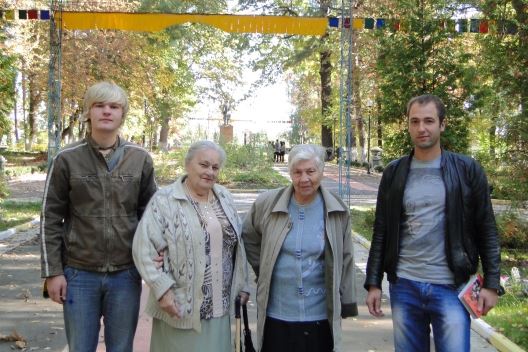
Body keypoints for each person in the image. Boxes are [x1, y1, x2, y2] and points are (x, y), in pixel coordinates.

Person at [364, 94, 501, 352]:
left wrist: (492, 285)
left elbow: (487, 229)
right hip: (404, 285)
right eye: (414, 121)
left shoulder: (467, 169)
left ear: (442, 124)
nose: (421, 128)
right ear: (408, 125)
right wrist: (373, 282)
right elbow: (381, 229)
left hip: (451, 287)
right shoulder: (394, 172)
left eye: (429, 121)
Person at [40, 81, 157, 351]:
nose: (107, 111)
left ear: (122, 114)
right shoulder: (66, 159)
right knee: (81, 347)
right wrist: (53, 272)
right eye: (99, 105)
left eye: (114, 106)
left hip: (126, 275)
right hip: (79, 275)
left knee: (121, 347)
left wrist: (154, 259)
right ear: (88, 112)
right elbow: (50, 217)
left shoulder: (140, 159)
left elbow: (152, 215)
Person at [132, 140, 249, 352]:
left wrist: (243, 283)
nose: (210, 172)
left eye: (215, 167)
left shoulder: (224, 196)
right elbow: (143, 249)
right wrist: (161, 289)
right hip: (178, 306)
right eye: (203, 165)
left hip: (219, 307)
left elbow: (236, 246)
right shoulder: (165, 200)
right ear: (188, 164)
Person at [242, 144, 358, 352]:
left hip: (320, 316)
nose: (304, 179)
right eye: (297, 172)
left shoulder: (337, 210)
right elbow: (248, 236)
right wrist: (265, 267)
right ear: (290, 174)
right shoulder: (267, 204)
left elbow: (346, 257)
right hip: (276, 314)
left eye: (310, 171)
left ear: (321, 172)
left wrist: (347, 300)